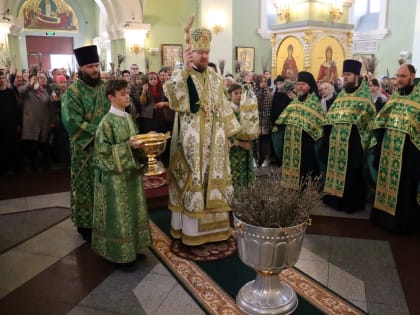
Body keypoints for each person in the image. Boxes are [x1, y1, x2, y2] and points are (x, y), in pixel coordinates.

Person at [163, 27, 241, 246]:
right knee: (194, 180)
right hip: (191, 142)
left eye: (207, 51)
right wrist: (184, 71)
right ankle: (192, 235)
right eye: (199, 52)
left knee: (214, 181)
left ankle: (217, 231)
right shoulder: (182, 74)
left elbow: (224, 105)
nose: (204, 56)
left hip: (214, 141)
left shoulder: (216, 79)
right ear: (192, 53)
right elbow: (177, 102)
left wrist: (227, 135)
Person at [92, 79, 151, 264]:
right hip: (115, 180)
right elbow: (102, 155)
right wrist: (128, 147)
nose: (127, 97)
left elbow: (135, 141)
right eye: (122, 94)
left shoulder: (127, 117)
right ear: (111, 97)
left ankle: (133, 247)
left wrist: (143, 147)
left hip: (131, 175)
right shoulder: (106, 123)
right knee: (120, 215)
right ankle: (120, 255)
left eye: (127, 93)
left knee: (134, 211)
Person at [61, 45, 110, 242]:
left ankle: (105, 220)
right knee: (85, 186)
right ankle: (85, 225)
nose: (94, 70)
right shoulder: (72, 92)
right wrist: (99, 134)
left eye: (96, 65)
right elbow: (71, 120)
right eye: (90, 66)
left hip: (105, 148)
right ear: (81, 68)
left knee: (104, 185)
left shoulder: (105, 88)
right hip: (85, 148)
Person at [369, 64, 420, 233]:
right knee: (385, 181)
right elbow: (382, 119)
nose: (399, 80)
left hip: (409, 153)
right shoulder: (395, 97)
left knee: (404, 187)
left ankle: (401, 224)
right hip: (389, 149)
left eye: (403, 76)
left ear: (412, 76)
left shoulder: (418, 97)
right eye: (398, 76)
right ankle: (383, 219)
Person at [321, 60, 376, 213]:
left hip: (354, 144)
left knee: (352, 173)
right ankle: (333, 199)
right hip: (336, 142)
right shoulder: (342, 96)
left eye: (348, 75)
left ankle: (350, 203)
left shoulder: (365, 96)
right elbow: (331, 116)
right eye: (344, 74)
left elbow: (369, 120)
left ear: (356, 76)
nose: (345, 77)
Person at [272, 71, 324, 189]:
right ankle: (290, 186)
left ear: (310, 85)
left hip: (306, 143)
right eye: (299, 84)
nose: (300, 86)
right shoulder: (296, 100)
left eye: (303, 84)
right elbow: (285, 117)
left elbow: (317, 124)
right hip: (291, 141)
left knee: (305, 167)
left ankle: (306, 190)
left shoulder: (314, 102)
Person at [228, 83, 259, 187]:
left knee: (245, 176)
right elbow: (225, 131)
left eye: (241, 93)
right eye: (236, 93)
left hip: (246, 149)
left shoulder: (246, 109)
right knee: (233, 176)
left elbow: (250, 128)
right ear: (229, 95)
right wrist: (238, 143)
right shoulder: (227, 110)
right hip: (232, 150)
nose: (239, 95)